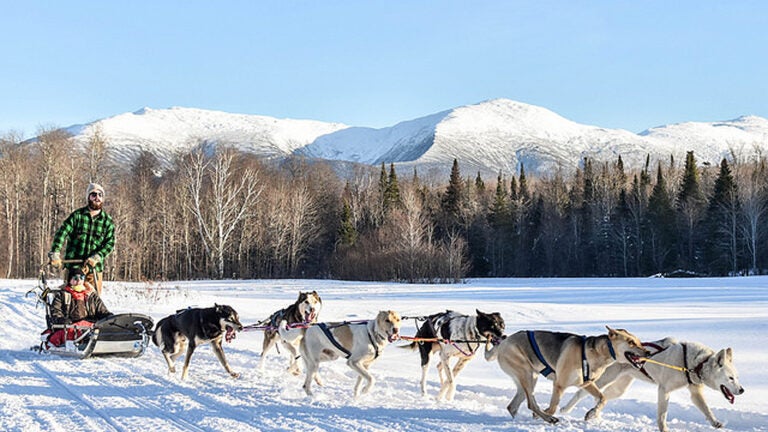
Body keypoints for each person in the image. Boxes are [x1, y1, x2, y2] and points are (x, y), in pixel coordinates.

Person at [48, 183, 115, 296]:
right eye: (93, 195)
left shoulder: (107, 221)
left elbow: (110, 244)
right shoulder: (77, 216)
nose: (97, 198)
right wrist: (55, 252)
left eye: (100, 195)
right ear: (88, 197)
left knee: (93, 301)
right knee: (69, 299)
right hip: (74, 266)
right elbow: (62, 233)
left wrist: (98, 256)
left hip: (94, 269)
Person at [47, 267, 112, 347]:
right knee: (70, 332)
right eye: (75, 278)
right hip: (71, 326)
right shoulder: (62, 295)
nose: (78, 281)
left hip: (90, 325)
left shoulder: (91, 295)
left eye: (81, 278)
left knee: (104, 327)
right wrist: (62, 320)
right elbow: (56, 312)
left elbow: (102, 311)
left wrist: (109, 317)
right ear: (70, 280)